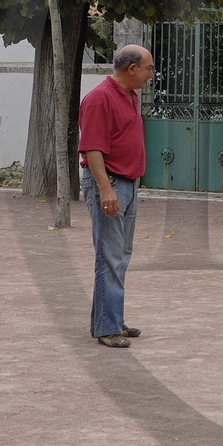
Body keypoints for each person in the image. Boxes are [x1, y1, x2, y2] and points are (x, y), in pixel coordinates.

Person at [79, 43, 157, 348]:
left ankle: (111, 320)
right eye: (149, 68)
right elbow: (92, 148)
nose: (152, 74)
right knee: (109, 257)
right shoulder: (100, 99)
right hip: (110, 183)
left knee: (120, 257)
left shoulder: (130, 96)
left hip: (127, 184)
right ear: (132, 69)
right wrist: (105, 189)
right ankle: (107, 328)